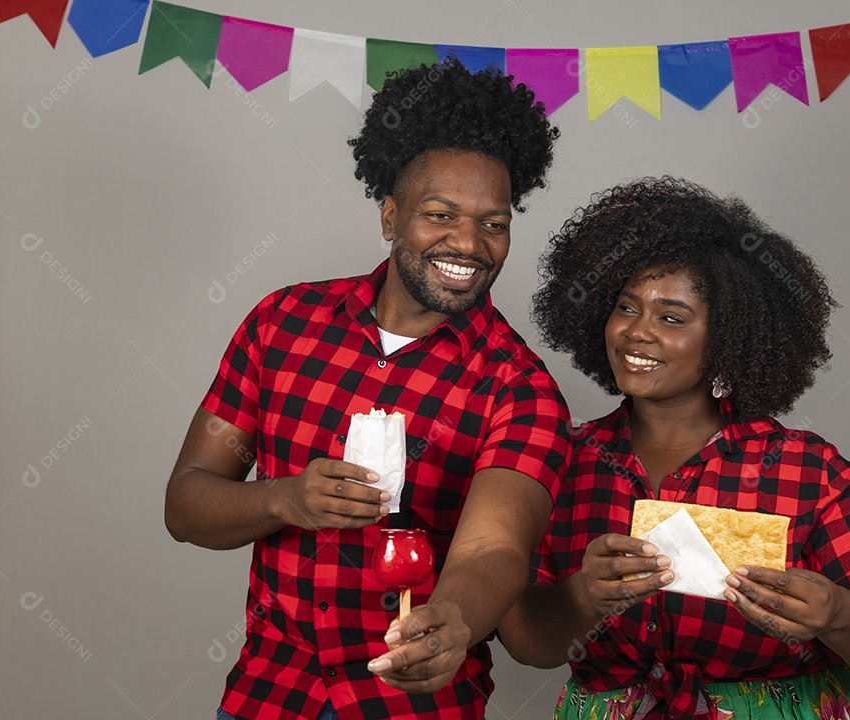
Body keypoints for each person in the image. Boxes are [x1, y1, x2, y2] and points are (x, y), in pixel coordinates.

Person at [165, 59, 571, 720]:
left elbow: (496, 549)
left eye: (494, 224)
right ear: (390, 217)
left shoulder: (521, 391)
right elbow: (186, 504)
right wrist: (285, 498)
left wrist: (454, 622)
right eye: (440, 214)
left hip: (413, 706)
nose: (468, 243)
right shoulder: (281, 325)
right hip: (268, 697)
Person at [498, 177, 850, 719]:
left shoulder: (807, 470)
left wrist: (839, 613)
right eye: (626, 307)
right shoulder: (563, 463)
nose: (636, 333)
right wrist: (586, 594)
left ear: (730, 338)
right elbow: (524, 643)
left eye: (671, 318)